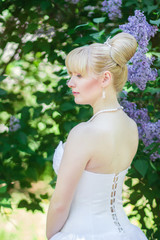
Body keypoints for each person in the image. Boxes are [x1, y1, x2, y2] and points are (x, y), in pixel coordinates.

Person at [46, 32, 148, 240]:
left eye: (79, 76)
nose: (70, 83)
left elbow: (59, 204)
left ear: (105, 78)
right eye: (70, 75)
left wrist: (50, 237)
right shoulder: (130, 126)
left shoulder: (85, 133)